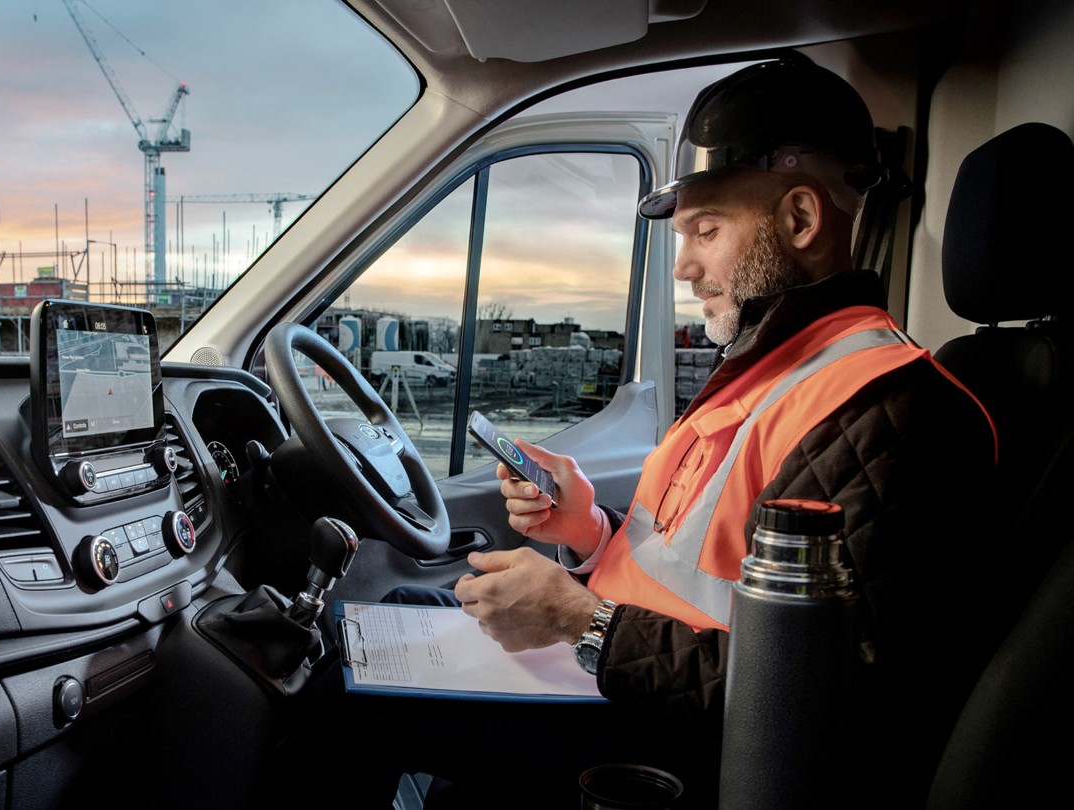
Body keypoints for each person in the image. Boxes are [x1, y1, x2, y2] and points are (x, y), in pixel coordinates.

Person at [298, 56, 998, 809]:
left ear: (800, 219)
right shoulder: (777, 367)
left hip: (678, 742)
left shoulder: (892, 412)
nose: (686, 265)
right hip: (629, 676)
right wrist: (591, 530)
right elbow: (698, 566)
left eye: (706, 228)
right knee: (386, 624)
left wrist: (580, 618)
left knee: (333, 687)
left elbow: (817, 701)